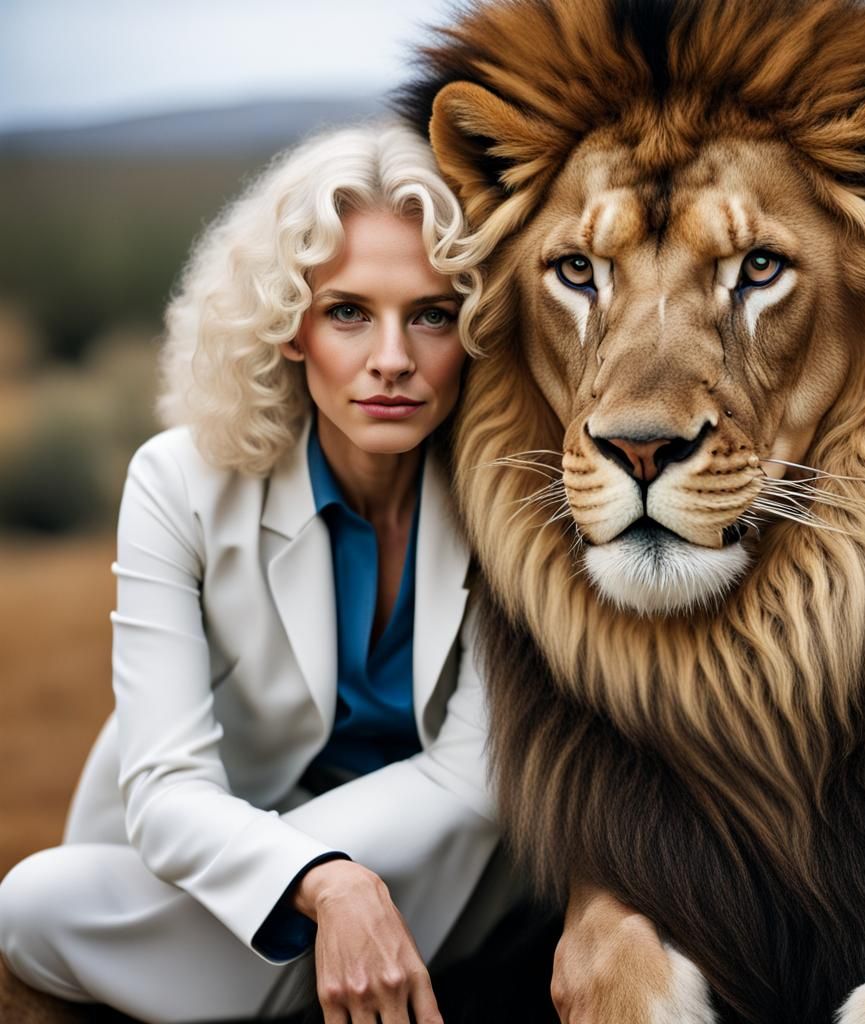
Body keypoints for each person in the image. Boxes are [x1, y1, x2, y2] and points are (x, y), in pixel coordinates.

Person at [0, 122, 515, 1024]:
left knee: (505, 843)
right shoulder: (177, 483)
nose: (391, 359)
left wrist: (347, 883)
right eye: (349, 311)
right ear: (288, 329)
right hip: (220, 873)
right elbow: (165, 793)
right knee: (33, 904)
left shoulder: (509, 496)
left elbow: (471, 780)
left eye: (431, 314)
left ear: (473, 334)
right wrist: (324, 884)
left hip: (443, 864)